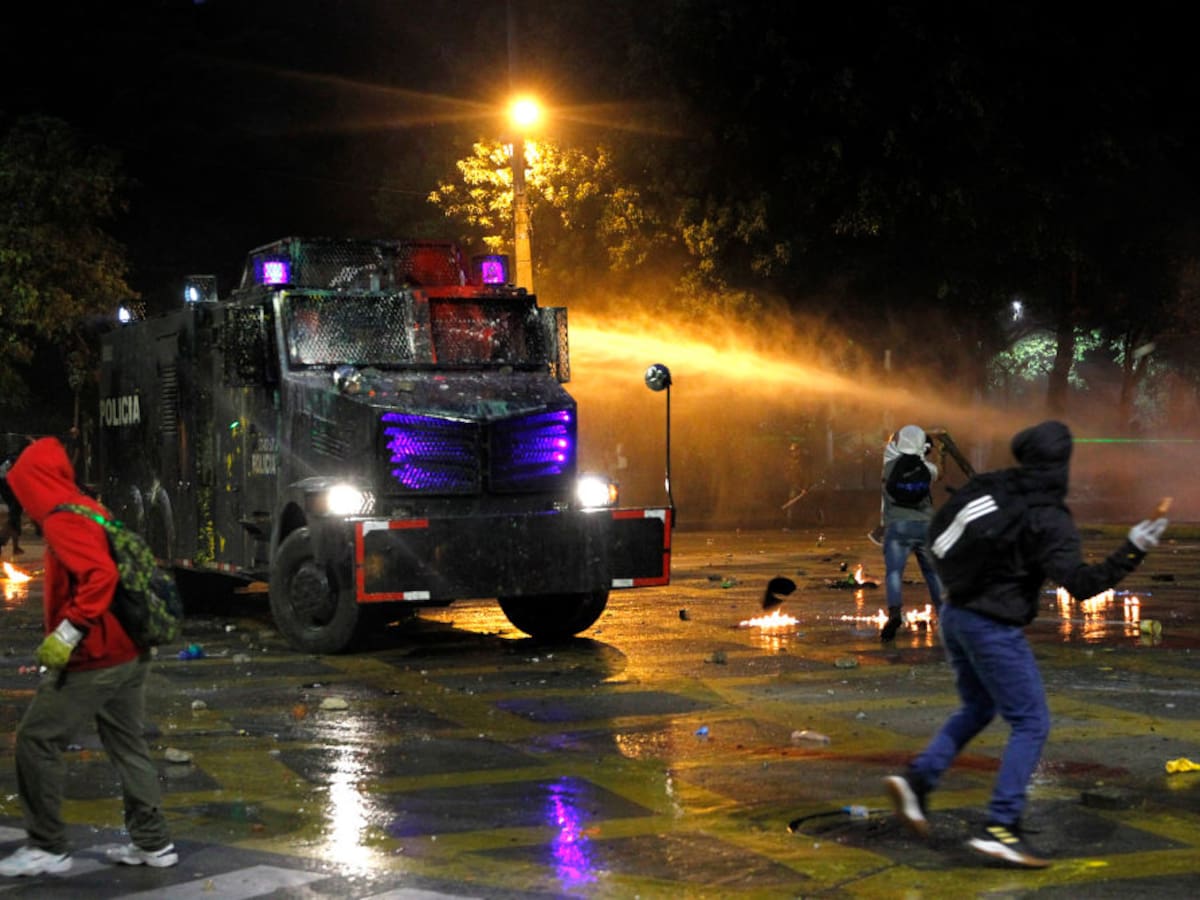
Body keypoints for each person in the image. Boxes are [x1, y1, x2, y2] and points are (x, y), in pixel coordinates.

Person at [883, 420, 1168, 868]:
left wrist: (966, 581)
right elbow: (1081, 585)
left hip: (955, 614)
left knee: (978, 708)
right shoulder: (1049, 516)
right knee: (1031, 721)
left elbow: (940, 532)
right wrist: (1132, 550)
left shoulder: (992, 486)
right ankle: (1001, 826)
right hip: (991, 626)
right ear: (1061, 465)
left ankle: (917, 782)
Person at [0, 437, 178, 877]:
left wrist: (67, 632)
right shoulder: (88, 506)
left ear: (35, 481)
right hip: (130, 648)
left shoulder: (63, 518)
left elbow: (100, 576)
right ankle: (154, 844)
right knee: (128, 745)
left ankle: (47, 847)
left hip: (96, 655)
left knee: (36, 740)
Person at [879, 424, 943, 641]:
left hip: (898, 526)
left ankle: (895, 612)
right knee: (932, 573)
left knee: (894, 572)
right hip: (925, 525)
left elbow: (890, 446)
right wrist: (937, 448)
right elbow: (938, 471)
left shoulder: (888, 465)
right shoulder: (926, 468)